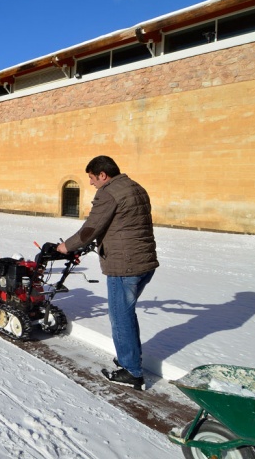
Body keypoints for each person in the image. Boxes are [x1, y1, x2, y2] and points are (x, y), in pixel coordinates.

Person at [56, 155, 158, 391]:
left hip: (124, 266)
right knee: (126, 313)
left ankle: (131, 371)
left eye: (92, 178)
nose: (91, 183)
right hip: (145, 263)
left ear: (103, 175)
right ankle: (128, 358)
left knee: (121, 318)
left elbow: (91, 227)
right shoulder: (135, 187)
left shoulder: (109, 192)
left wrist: (65, 247)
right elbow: (124, 224)